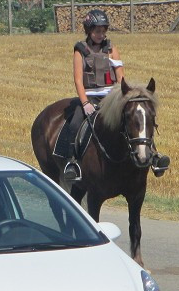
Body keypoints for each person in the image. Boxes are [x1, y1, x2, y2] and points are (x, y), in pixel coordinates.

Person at [55, 9, 170, 182]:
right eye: (97, 31)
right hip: (90, 97)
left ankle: (153, 155)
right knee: (75, 123)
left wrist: (125, 96)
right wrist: (85, 102)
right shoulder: (80, 50)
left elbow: (120, 76)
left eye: (103, 31)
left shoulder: (111, 49)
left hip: (111, 96)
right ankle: (73, 163)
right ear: (89, 30)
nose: (101, 35)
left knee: (137, 119)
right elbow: (78, 80)